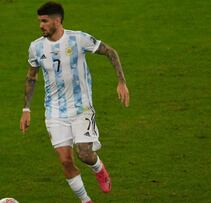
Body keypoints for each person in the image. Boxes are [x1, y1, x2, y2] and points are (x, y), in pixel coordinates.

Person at [19, 1, 129, 203]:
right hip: (54, 112)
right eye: (39, 21)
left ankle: (99, 169)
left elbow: (110, 52)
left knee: (85, 154)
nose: (41, 25)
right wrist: (26, 108)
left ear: (57, 21)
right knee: (65, 161)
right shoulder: (36, 47)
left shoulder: (78, 39)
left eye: (44, 21)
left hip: (81, 108)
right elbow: (31, 76)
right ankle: (86, 201)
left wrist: (121, 82)